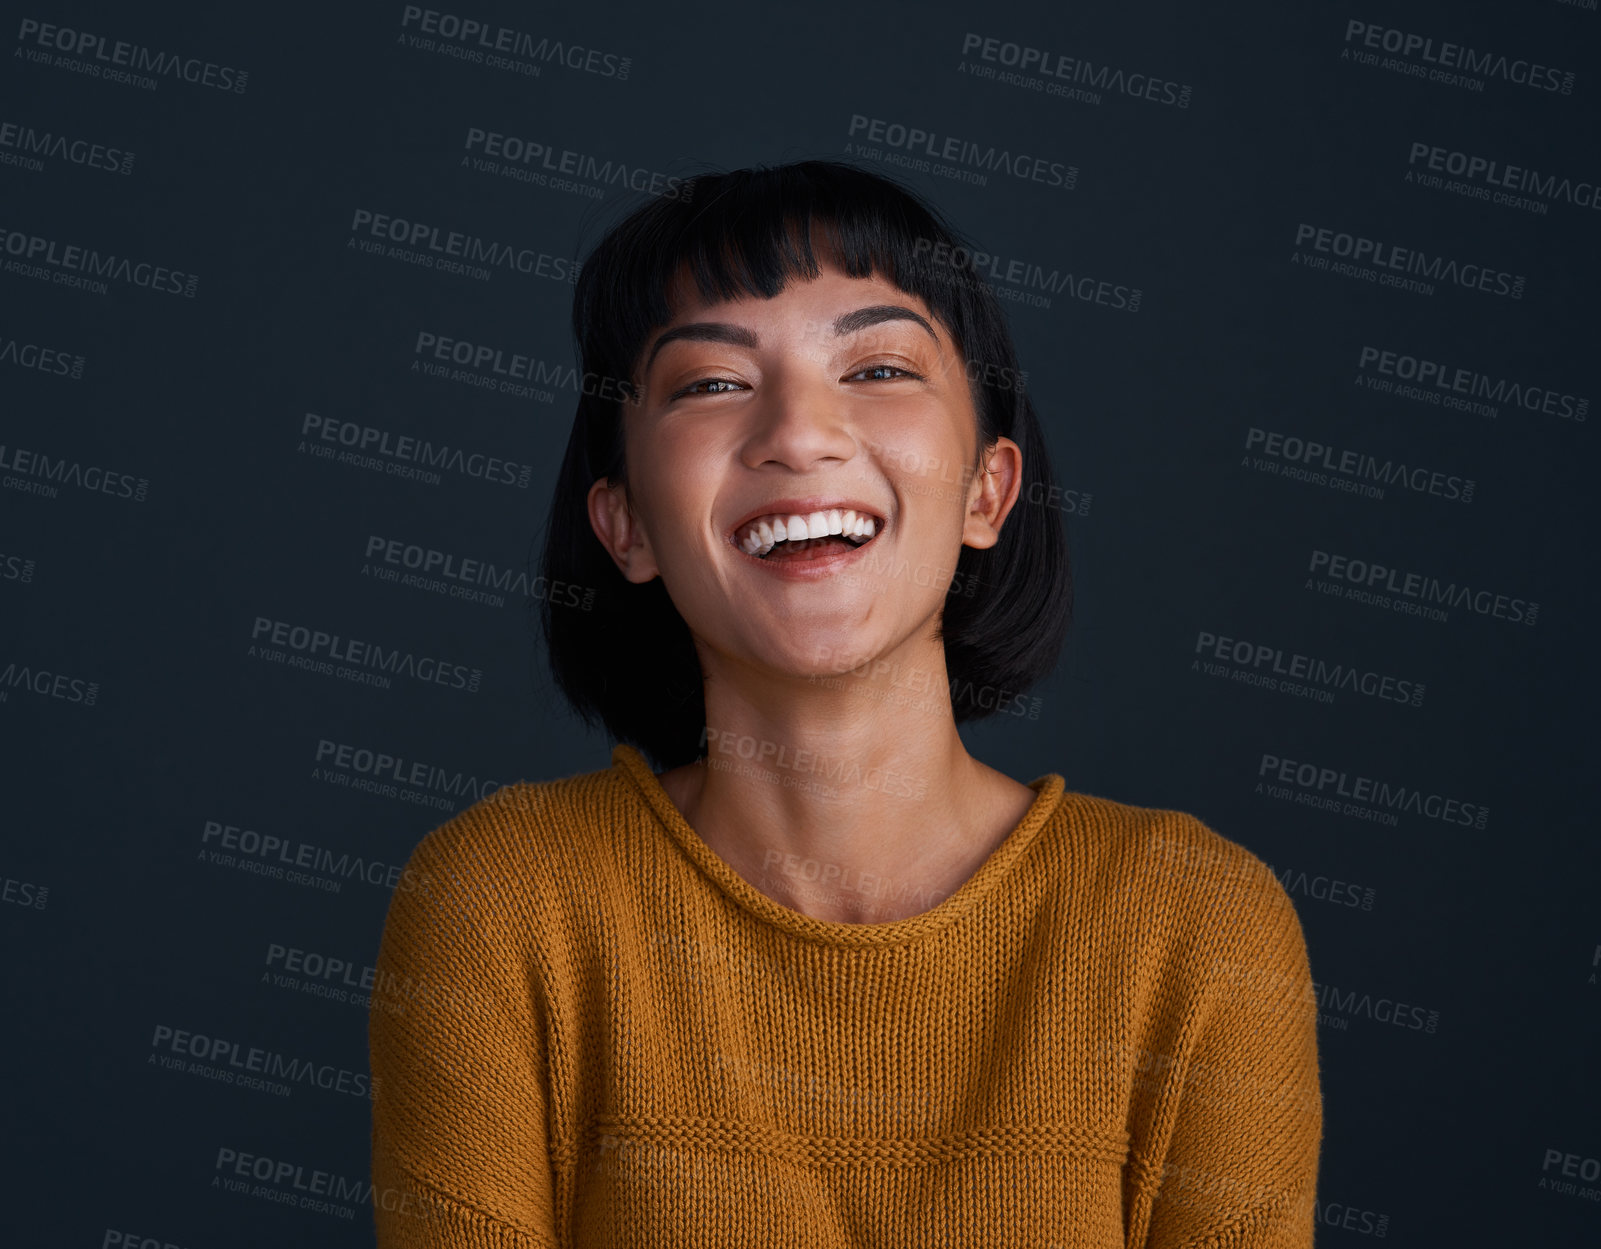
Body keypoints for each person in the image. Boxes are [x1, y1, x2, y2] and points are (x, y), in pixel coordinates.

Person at [368, 160, 1322, 1247]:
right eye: (712, 383)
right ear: (623, 520)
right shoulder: (499, 903)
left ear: (986, 490)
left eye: (875, 366)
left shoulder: (1198, 928)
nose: (798, 433)